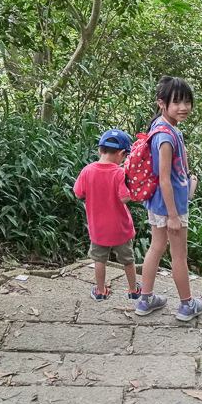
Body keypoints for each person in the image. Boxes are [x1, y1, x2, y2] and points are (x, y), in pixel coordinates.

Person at [135, 76, 202, 320]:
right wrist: (174, 216)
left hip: (157, 202)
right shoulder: (166, 136)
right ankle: (187, 305)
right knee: (179, 255)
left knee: (156, 246)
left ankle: (145, 299)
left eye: (187, 101)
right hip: (170, 206)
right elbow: (165, 178)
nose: (184, 107)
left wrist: (189, 185)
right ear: (162, 103)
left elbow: (172, 176)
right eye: (177, 102)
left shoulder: (160, 126)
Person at [73, 129, 141, 301]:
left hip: (98, 228)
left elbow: (78, 193)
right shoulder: (119, 173)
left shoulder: (87, 170)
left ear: (99, 151)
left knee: (99, 260)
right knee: (127, 260)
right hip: (120, 228)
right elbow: (125, 198)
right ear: (121, 154)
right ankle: (133, 290)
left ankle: (101, 291)